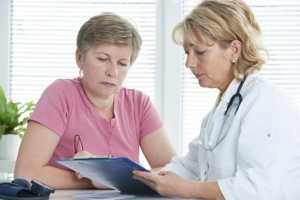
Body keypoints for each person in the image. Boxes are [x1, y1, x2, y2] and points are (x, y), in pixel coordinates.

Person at [133, 0, 300, 199]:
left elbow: (259, 189)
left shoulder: (265, 103)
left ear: (234, 50)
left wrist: (184, 189)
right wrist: (130, 176)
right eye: (187, 52)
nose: (189, 63)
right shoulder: (220, 112)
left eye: (200, 52)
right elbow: (190, 167)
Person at [14, 13, 175, 189]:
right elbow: (26, 172)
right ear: (79, 58)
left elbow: (173, 171)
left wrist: (104, 176)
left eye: (122, 63)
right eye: (102, 59)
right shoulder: (60, 94)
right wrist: (93, 179)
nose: (112, 72)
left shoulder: (139, 104)